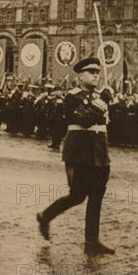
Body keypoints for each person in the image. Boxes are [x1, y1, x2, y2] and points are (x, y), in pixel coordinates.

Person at [37, 57, 115, 255]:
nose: (96, 75)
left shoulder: (99, 96)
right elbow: (85, 120)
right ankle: (45, 216)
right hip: (79, 152)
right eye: (91, 72)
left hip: (99, 152)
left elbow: (105, 124)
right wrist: (103, 101)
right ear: (80, 76)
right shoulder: (72, 97)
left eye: (97, 72)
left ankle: (91, 241)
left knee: (97, 196)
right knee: (77, 196)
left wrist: (104, 100)